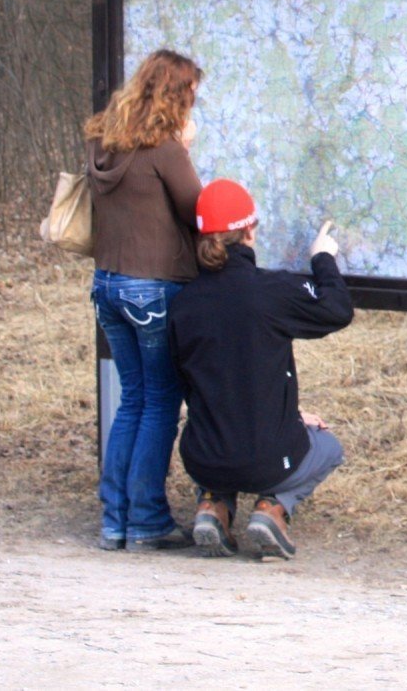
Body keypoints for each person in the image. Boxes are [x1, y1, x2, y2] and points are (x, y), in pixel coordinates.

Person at [171, 179, 355, 560]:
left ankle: (213, 505)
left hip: (203, 456)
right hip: (268, 460)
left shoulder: (182, 303)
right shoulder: (271, 291)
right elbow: (337, 309)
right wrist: (322, 258)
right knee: (328, 447)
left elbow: (190, 382)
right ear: (249, 232)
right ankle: (272, 508)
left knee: (219, 439)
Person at [84, 48, 205, 551]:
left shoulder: (103, 143)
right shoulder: (165, 151)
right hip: (153, 288)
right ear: (174, 95)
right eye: (191, 95)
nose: (194, 104)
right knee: (159, 403)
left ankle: (116, 520)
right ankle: (148, 520)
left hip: (107, 286)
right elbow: (198, 212)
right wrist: (186, 149)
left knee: (132, 400)